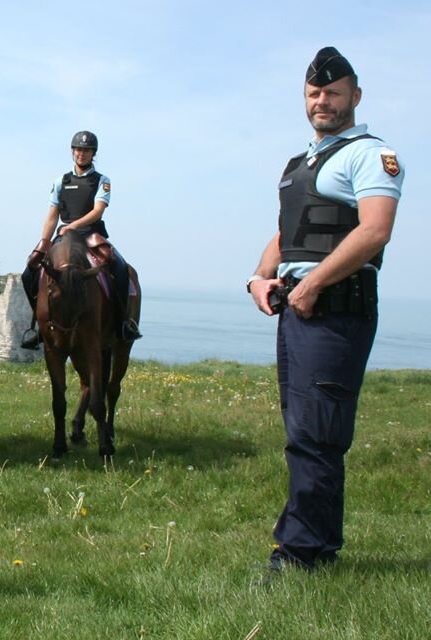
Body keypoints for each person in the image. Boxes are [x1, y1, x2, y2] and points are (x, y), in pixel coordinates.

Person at [248, 47, 404, 579]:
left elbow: (375, 230)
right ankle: (319, 545)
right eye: (315, 94)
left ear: (354, 96)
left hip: (335, 308)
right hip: (296, 310)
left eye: (333, 93)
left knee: (318, 433)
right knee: (304, 431)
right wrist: (257, 276)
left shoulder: (372, 154)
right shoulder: (299, 165)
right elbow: (285, 232)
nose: (323, 101)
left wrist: (313, 283)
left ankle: (298, 555)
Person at [20, 131, 141, 349]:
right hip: (64, 237)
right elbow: (51, 215)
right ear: (72, 151)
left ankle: (123, 323)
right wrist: (44, 242)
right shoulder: (60, 181)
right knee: (29, 271)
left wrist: (73, 226)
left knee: (121, 268)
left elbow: (98, 211)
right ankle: (39, 326)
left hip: (90, 235)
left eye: (86, 150)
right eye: (78, 149)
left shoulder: (102, 181)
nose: (81, 154)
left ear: (93, 154)